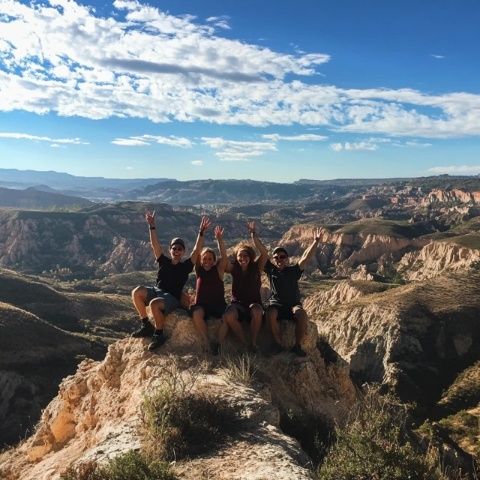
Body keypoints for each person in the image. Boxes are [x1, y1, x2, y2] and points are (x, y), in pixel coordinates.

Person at [131, 211, 211, 351]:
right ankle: (146, 325)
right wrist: (152, 226)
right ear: (170, 250)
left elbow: (196, 250)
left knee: (154, 304)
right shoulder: (163, 261)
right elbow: (154, 244)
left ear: (183, 252)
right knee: (136, 291)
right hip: (157, 290)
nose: (176, 251)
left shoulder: (185, 266)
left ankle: (159, 334)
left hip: (171, 298)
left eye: (180, 249)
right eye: (174, 248)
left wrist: (201, 232)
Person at [265, 228, 322, 357]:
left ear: (287, 259)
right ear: (274, 259)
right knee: (270, 313)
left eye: (282, 257)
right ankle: (277, 344)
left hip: (292, 305)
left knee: (301, 314)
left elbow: (306, 257)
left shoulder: (293, 271)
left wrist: (316, 241)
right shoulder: (271, 270)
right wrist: (253, 235)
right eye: (276, 257)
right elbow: (262, 252)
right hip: (277, 305)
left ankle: (297, 346)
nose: (279, 259)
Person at [220, 221, 268, 352]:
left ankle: (253, 343)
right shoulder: (234, 268)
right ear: (236, 257)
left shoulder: (256, 267)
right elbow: (224, 261)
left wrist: (253, 235)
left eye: (245, 255)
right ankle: (244, 342)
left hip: (254, 303)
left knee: (257, 312)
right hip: (238, 305)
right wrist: (220, 241)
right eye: (240, 256)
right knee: (229, 316)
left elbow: (264, 253)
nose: (243, 258)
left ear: (250, 257)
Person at [191, 225, 227, 354]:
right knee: (196, 314)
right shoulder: (199, 270)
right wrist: (201, 233)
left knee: (227, 318)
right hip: (202, 305)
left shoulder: (218, 270)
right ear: (201, 260)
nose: (207, 261)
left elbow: (224, 256)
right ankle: (206, 342)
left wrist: (219, 240)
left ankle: (218, 343)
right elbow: (196, 250)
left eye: (210, 259)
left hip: (218, 305)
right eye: (204, 259)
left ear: (213, 261)